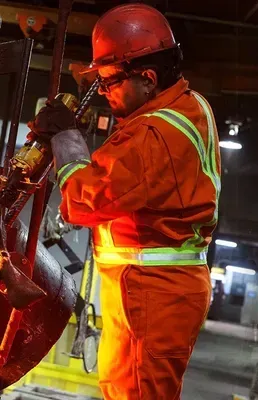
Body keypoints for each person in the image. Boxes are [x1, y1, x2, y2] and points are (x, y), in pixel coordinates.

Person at [28, 4, 221, 399]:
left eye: (111, 81)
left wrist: (65, 138)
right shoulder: (185, 104)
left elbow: (84, 201)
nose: (102, 91)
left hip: (153, 296)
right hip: (152, 290)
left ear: (148, 78)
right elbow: (128, 163)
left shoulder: (157, 137)